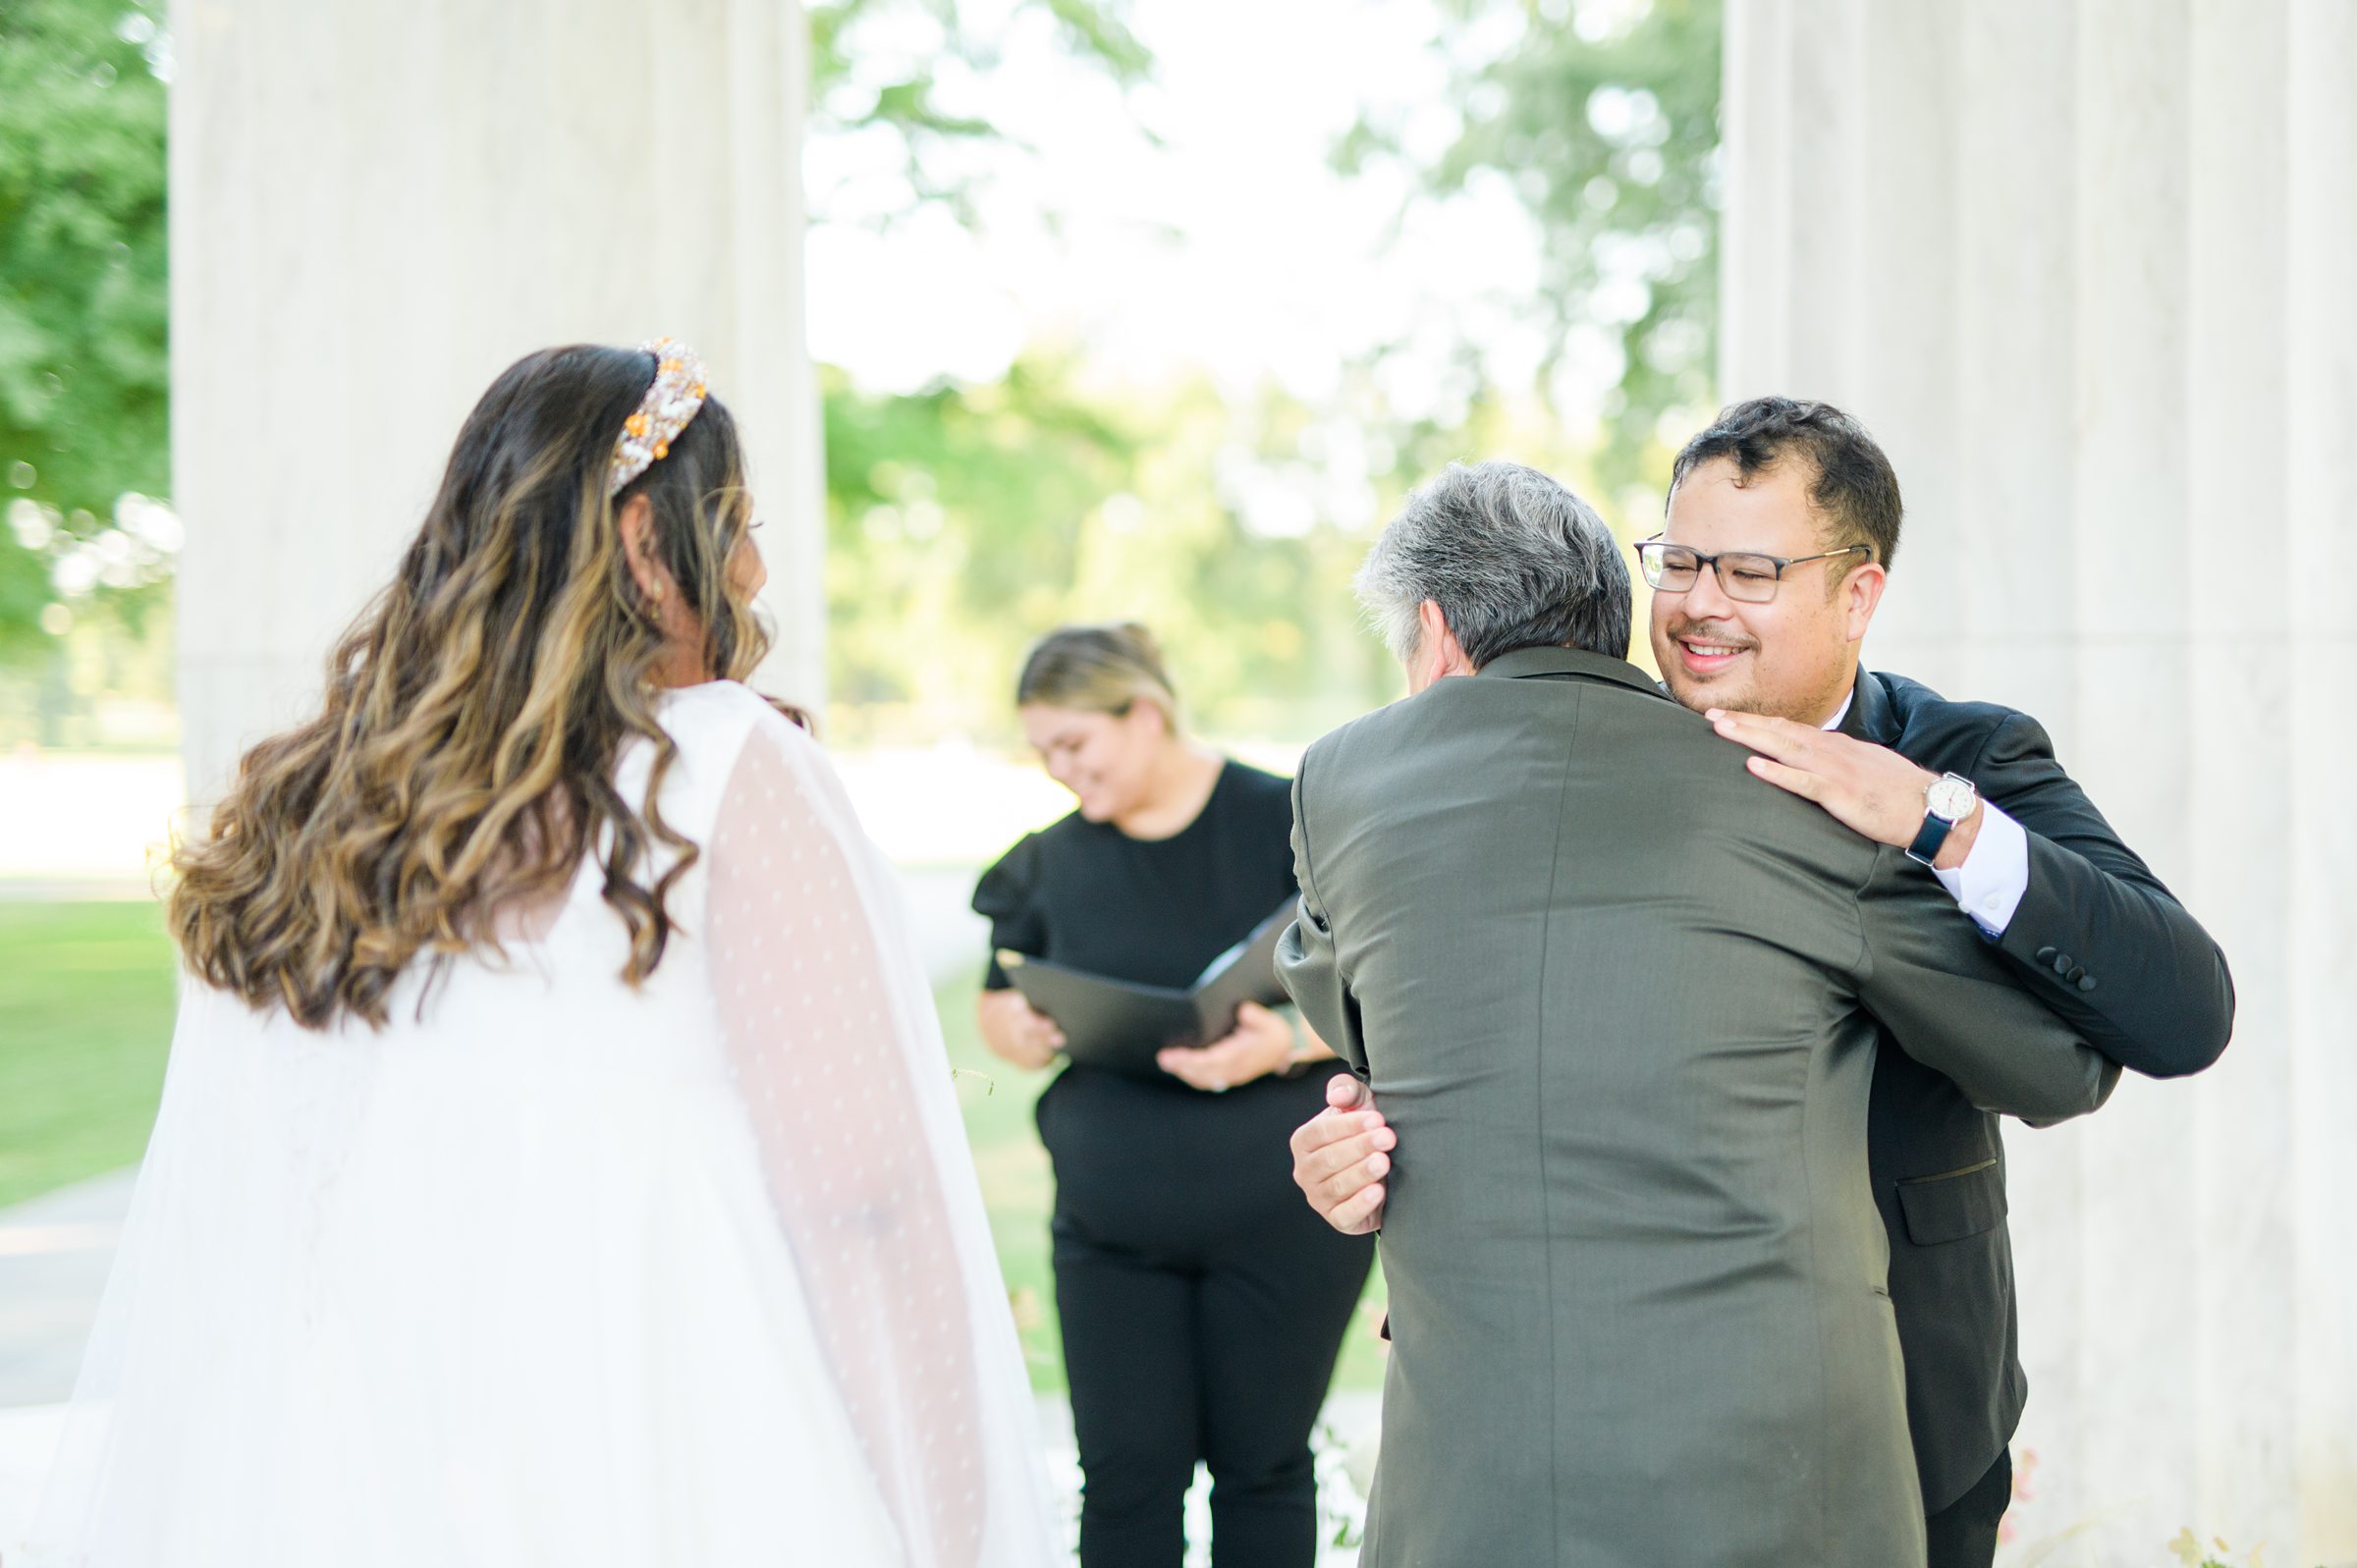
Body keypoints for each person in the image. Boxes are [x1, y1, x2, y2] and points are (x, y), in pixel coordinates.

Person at [27, 342, 1052, 1568]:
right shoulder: (722, 770)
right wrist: (946, 1526)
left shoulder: (310, 809)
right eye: (734, 524)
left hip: (364, 1481)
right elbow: (865, 1203)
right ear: (640, 540)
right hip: (678, 1462)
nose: (759, 568)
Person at [1287, 399, 2234, 1568]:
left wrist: (1935, 825)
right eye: (1679, 561)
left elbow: (2178, 1013)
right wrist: (1368, 1157)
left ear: (1858, 595)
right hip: (1577, 1418)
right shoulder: (1600, 755)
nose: (1696, 606)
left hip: (1900, 1395)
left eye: (1749, 569)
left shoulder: (1965, 758)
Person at [970, 623, 1375, 1568]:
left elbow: (1380, 991)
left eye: (1074, 744)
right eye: (1042, 753)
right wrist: (1013, 1029)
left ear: (1144, 715)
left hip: (1282, 1220)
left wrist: (1279, 1042)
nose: (1060, 771)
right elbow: (1001, 989)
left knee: (1264, 1469)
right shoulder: (1050, 860)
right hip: (1113, 1232)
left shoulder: (1290, 823)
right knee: (1124, 1479)